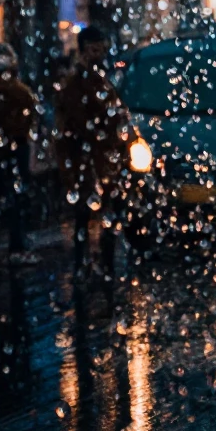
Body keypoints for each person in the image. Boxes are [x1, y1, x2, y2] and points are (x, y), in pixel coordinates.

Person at [54, 25, 131, 276]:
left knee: (104, 212)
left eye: (101, 46)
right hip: (86, 158)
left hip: (102, 158)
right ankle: (84, 263)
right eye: (93, 47)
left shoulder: (102, 78)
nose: (98, 52)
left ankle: (99, 263)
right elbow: (74, 122)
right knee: (85, 213)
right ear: (83, 49)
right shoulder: (77, 82)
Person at [0, 42, 39, 262]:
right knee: (16, 198)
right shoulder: (19, 90)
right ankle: (16, 248)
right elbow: (27, 120)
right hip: (15, 148)